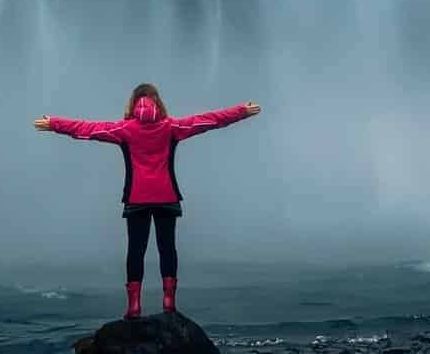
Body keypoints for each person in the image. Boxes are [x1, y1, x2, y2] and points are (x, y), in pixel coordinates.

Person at [35, 83, 261, 318]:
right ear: (158, 102)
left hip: (136, 198)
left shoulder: (124, 129)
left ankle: (134, 306)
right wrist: (241, 111)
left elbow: (88, 129)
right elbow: (209, 120)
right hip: (167, 196)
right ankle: (169, 301)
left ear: (133, 103)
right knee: (167, 248)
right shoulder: (172, 127)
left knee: (136, 250)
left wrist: (54, 123)